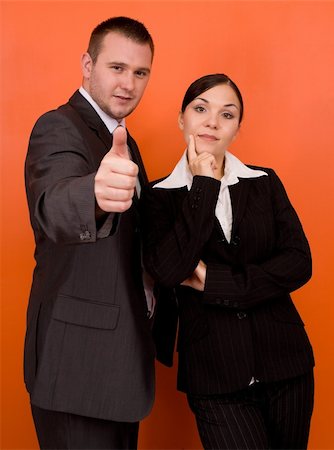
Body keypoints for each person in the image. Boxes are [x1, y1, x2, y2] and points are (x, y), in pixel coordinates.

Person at [141, 73, 315, 450]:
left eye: (227, 114)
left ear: (237, 128)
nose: (212, 122)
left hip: (286, 362)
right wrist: (203, 185)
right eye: (201, 109)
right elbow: (169, 271)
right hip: (214, 372)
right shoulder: (157, 197)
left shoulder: (264, 182)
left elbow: (299, 261)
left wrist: (216, 281)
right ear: (181, 119)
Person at [24, 16, 155, 450]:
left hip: (119, 369)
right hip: (78, 368)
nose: (128, 84)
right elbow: (52, 204)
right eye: (116, 68)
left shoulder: (124, 141)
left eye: (140, 73)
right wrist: (93, 194)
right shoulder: (58, 126)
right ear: (87, 64)